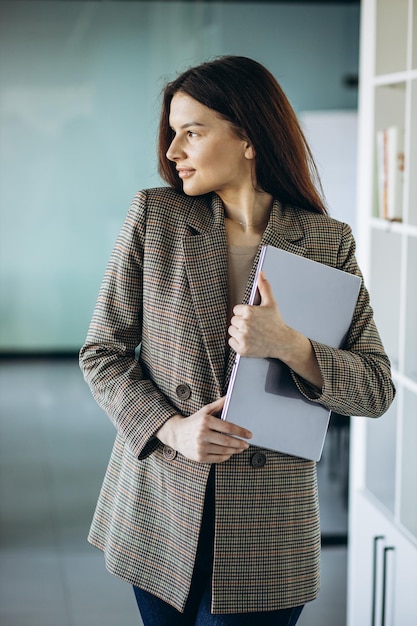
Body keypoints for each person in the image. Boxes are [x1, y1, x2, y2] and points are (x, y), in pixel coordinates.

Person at [79, 56, 395, 625]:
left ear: (247, 137)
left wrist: (290, 344)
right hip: (158, 512)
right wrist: (173, 428)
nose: (173, 151)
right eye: (172, 134)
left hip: (269, 533)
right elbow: (102, 352)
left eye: (191, 133)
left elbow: (374, 389)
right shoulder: (156, 218)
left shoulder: (326, 240)